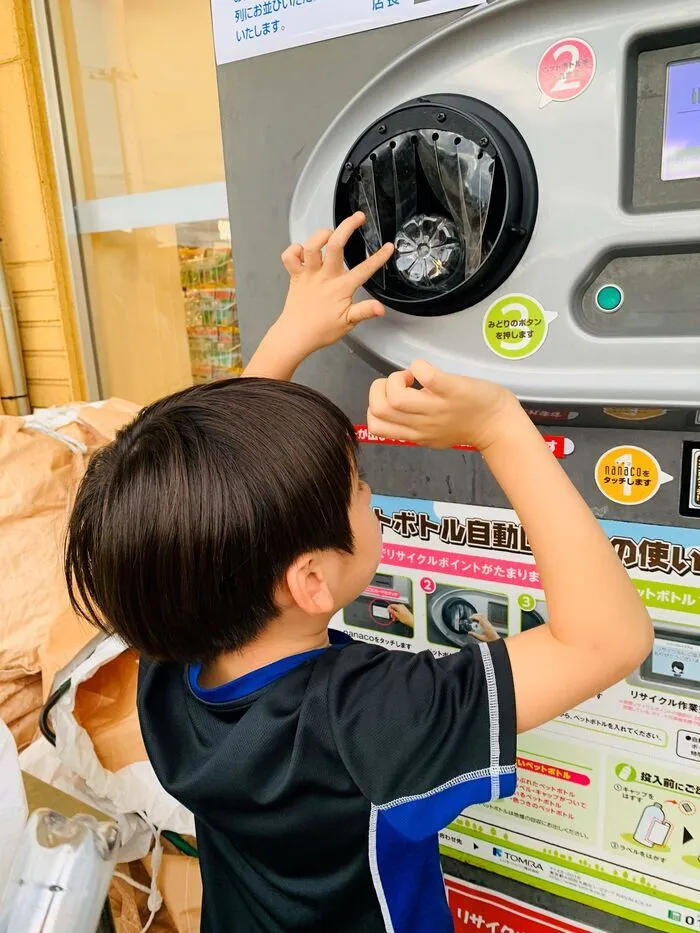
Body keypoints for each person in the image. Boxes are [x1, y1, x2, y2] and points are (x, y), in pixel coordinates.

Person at [64, 212, 653, 933]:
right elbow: (608, 641)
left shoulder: (172, 665)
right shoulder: (363, 721)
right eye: (362, 492)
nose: (372, 498)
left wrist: (290, 336)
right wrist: (501, 424)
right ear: (311, 581)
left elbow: (220, 508)